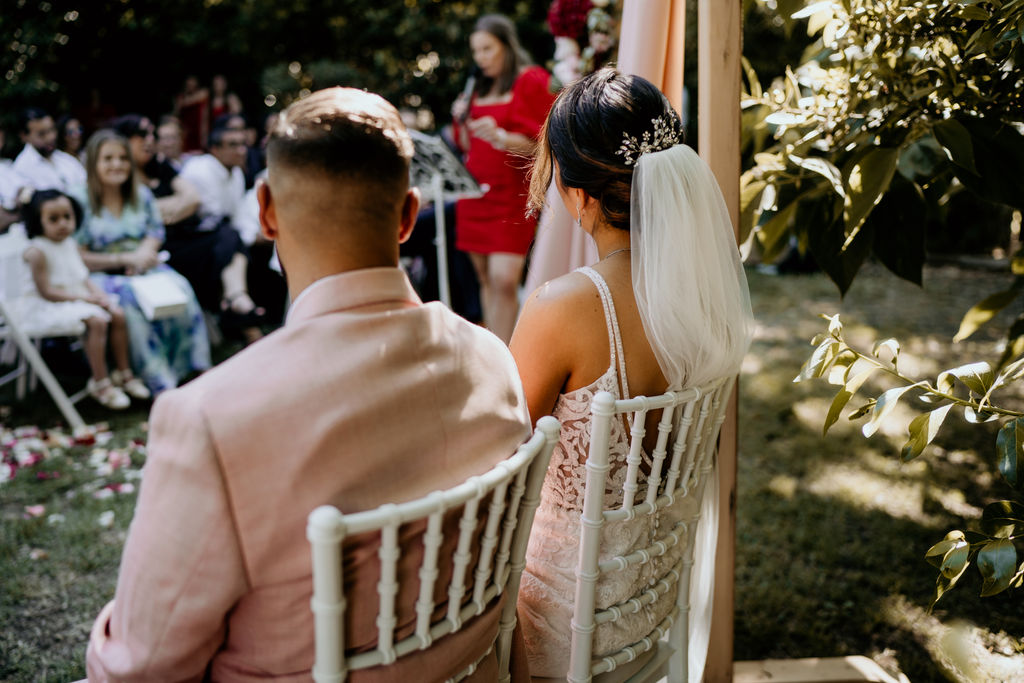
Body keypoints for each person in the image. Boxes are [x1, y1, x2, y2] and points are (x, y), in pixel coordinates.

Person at [85, 86, 532, 682]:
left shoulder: (209, 418)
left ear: (266, 211)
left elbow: (142, 666)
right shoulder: (493, 359)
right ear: (408, 215)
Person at [509, 68, 754, 679]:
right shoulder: (703, 302)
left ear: (580, 195)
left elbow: (501, 460)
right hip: (647, 605)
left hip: (557, 622)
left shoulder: (562, 308)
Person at [72, 129, 211, 395]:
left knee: (180, 287)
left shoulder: (141, 193)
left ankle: (191, 368)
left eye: (123, 158)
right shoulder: (79, 199)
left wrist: (144, 255)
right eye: (108, 158)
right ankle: (158, 380)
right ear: (93, 163)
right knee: (131, 300)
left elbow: (155, 231)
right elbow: (76, 255)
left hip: (143, 265)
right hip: (101, 273)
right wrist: (125, 258)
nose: (117, 164)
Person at [451, 14, 557, 343]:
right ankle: (495, 350)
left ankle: (511, 353)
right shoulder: (477, 87)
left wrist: (500, 136)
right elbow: (465, 144)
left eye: (487, 49)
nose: (480, 58)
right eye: (476, 51)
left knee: (504, 279)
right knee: (485, 279)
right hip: (474, 195)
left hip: (511, 194)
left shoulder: (531, 79)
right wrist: (461, 119)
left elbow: (542, 141)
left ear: (506, 46)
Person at [114, 114, 262, 340]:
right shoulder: (120, 174)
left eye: (152, 134)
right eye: (142, 134)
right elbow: (131, 214)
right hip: (153, 247)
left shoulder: (159, 166)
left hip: (180, 238)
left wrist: (155, 212)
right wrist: (171, 208)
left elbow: (193, 199)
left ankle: (237, 299)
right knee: (225, 241)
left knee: (229, 237)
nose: (150, 140)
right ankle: (240, 311)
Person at [12, 189, 150, 408]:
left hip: (75, 298)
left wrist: (98, 295)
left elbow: (82, 277)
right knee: (97, 321)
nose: (63, 224)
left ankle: (124, 373)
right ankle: (100, 382)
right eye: (54, 219)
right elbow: (46, 292)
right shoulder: (37, 251)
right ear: (38, 221)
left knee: (117, 313)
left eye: (67, 217)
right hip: (46, 305)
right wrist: (85, 299)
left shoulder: (69, 244)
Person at [181, 121, 286, 330]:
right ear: (215, 149)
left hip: (221, 240)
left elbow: (237, 217)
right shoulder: (200, 170)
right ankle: (237, 301)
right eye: (233, 145)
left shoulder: (236, 174)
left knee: (243, 243)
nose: (241, 151)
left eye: (242, 144)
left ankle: (241, 308)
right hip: (188, 241)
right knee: (232, 238)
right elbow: (212, 219)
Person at [12, 108, 87, 192]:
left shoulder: (65, 159)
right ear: (24, 136)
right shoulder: (21, 168)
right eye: (42, 134)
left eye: (52, 130)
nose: (51, 137)